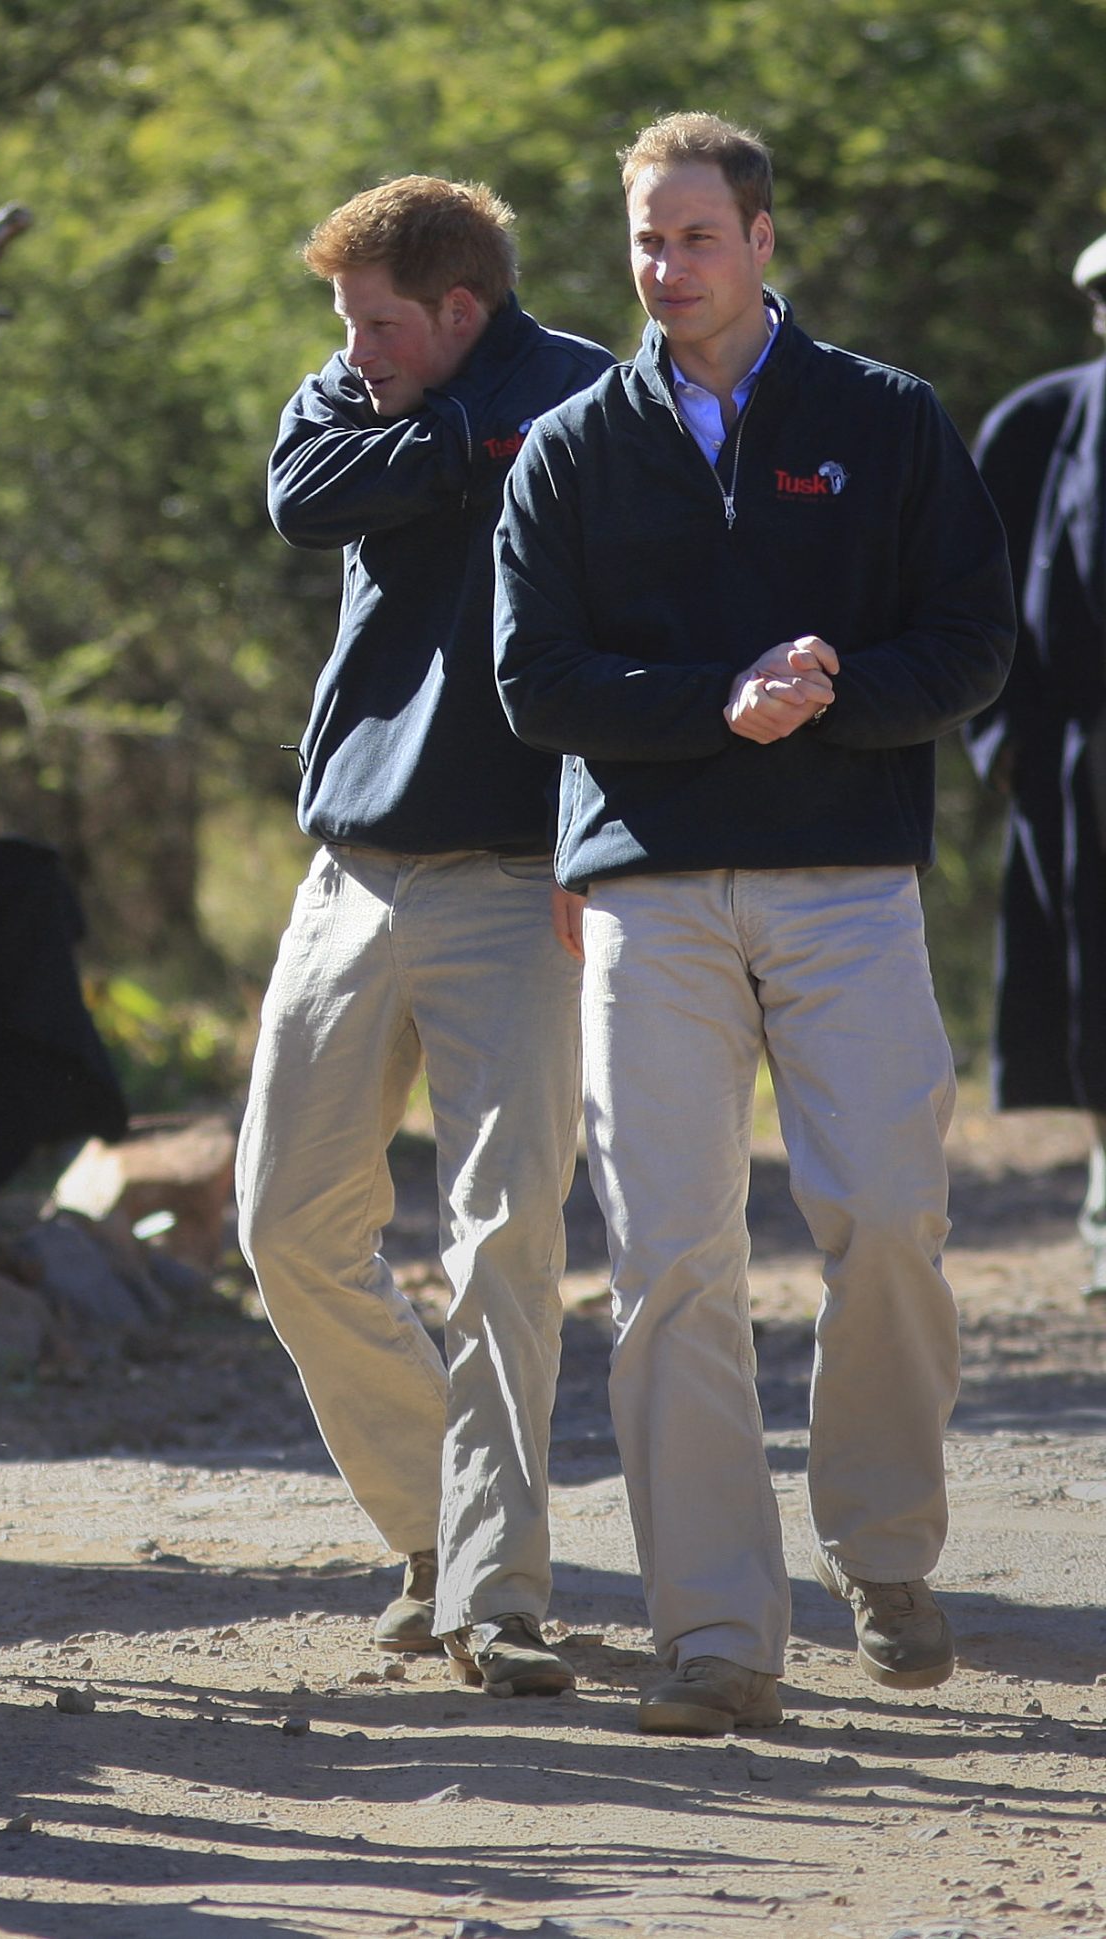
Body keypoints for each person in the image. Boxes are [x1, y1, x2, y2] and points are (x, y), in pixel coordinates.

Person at [494, 112, 1014, 1734]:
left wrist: (838, 698)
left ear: (764, 240)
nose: (670, 269)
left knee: (886, 1213)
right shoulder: (574, 445)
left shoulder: (887, 419)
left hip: (848, 884)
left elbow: (972, 638)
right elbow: (537, 681)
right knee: (669, 1262)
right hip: (648, 896)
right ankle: (719, 1633)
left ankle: (882, 1546)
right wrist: (716, 705)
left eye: (699, 237)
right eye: (648, 240)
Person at [232, 179, 613, 1699]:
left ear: (463, 309)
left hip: (528, 880)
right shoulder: (365, 391)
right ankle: (436, 1528)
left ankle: (495, 1588)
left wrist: (608, 848)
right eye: (346, 322)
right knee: (283, 1217)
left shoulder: (594, 395)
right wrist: (467, 446)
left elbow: (628, 627)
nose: (352, 351)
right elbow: (305, 494)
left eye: (381, 323)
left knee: (504, 1231)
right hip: (351, 874)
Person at [970, 235, 1106, 1294]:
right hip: (1080, 755)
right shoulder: (1039, 423)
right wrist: (1002, 741)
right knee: (1091, 967)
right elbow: (969, 601)